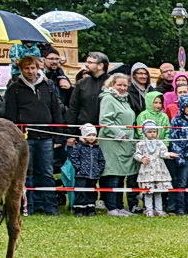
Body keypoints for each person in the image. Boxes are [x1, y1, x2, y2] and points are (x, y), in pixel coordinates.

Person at [3, 52, 65, 216]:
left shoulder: (48, 86)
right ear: (21, 69)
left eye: (33, 68)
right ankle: (27, 206)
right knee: (26, 173)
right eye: (26, 68)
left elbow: (56, 111)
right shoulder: (14, 88)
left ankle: (50, 207)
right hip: (25, 137)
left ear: (38, 68)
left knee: (46, 172)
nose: (30, 71)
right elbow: (11, 115)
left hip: (46, 136)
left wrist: (58, 135)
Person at [98, 72, 137, 216]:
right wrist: (120, 133)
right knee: (113, 174)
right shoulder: (108, 98)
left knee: (122, 176)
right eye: (119, 85)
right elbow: (105, 121)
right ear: (112, 84)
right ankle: (112, 206)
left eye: (125, 85)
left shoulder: (125, 99)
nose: (122, 88)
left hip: (125, 143)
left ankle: (120, 206)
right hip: (112, 142)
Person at [133, 122, 173, 216]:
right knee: (148, 192)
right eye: (150, 132)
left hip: (159, 171)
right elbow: (136, 154)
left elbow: (163, 153)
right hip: (147, 172)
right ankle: (149, 210)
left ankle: (159, 210)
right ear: (145, 132)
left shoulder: (160, 143)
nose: (152, 134)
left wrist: (170, 155)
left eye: (154, 131)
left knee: (158, 192)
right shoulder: (141, 144)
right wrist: (142, 158)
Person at [68, 123, 106, 216]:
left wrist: (98, 170)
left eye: (93, 135)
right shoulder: (79, 147)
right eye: (89, 135)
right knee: (81, 191)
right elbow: (74, 157)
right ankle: (79, 209)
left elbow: (101, 160)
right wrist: (79, 168)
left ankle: (90, 208)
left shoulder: (97, 148)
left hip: (93, 175)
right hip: (81, 174)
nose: (92, 138)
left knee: (92, 191)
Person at [71, 52, 110, 126]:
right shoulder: (81, 83)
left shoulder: (113, 82)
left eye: (90, 62)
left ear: (100, 65)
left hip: (107, 130)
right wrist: (70, 132)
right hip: (84, 130)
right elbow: (73, 108)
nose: (86, 65)